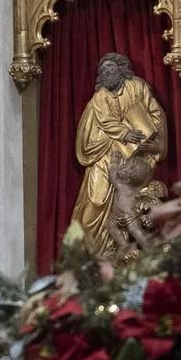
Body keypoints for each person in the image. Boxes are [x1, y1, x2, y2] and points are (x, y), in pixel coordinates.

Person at [69, 52, 167, 249]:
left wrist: (151, 138)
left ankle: (124, 247)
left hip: (134, 158)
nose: (106, 72)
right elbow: (96, 130)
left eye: (110, 68)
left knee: (130, 206)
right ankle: (87, 250)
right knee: (95, 200)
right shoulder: (99, 97)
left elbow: (155, 115)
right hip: (103, 156)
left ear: (121, 70)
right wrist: (124, 133)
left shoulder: (137, 87)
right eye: (103, 70)